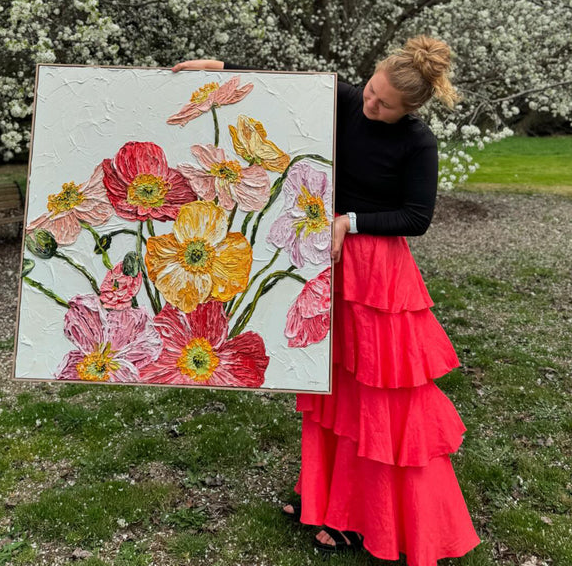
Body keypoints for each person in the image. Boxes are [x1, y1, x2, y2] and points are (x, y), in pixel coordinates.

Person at [172, 36, 480, 563]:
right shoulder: (350, 96)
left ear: (409, 109)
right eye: (371, 90)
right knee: (331, 391)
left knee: (378, 400)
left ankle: (368, 519)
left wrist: (350, 222)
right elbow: (280, 83)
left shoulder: (418, 143)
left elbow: (417, 217)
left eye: (384, 104)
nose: (370, 104)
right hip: (326, 266)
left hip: (379, 279)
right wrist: (216, 67)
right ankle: (325, 499)